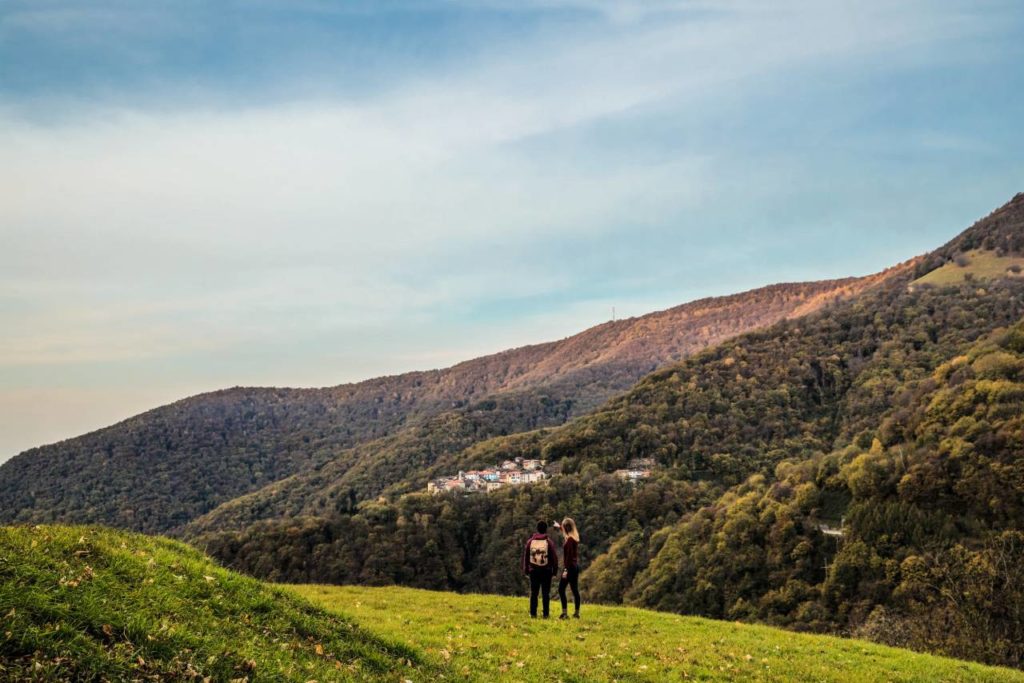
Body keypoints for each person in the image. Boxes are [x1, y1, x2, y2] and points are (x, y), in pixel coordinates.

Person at [521, 520, 559, 618]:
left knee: (534, 593)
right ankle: (545, 614)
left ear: (537, 529)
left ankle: (533, 613)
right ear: (546, 530)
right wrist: (554, 571)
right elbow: (554, 558)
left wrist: (526, 570)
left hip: (533, 570)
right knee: (545, 593)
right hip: (546, 571)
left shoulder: (530, 542)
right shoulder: (549, 542)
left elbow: (526, 556)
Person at [556, 517, 581, 619]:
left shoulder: (570, 540)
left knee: (561, 589)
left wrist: (565, 569)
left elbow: (569, 557)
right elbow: (566, 535)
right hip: (575, 567)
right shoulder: (573, 537)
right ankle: (576, 613)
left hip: (569, 567)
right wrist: (560, 527)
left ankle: (565, 613)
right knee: (575, 590)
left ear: (566, 527)